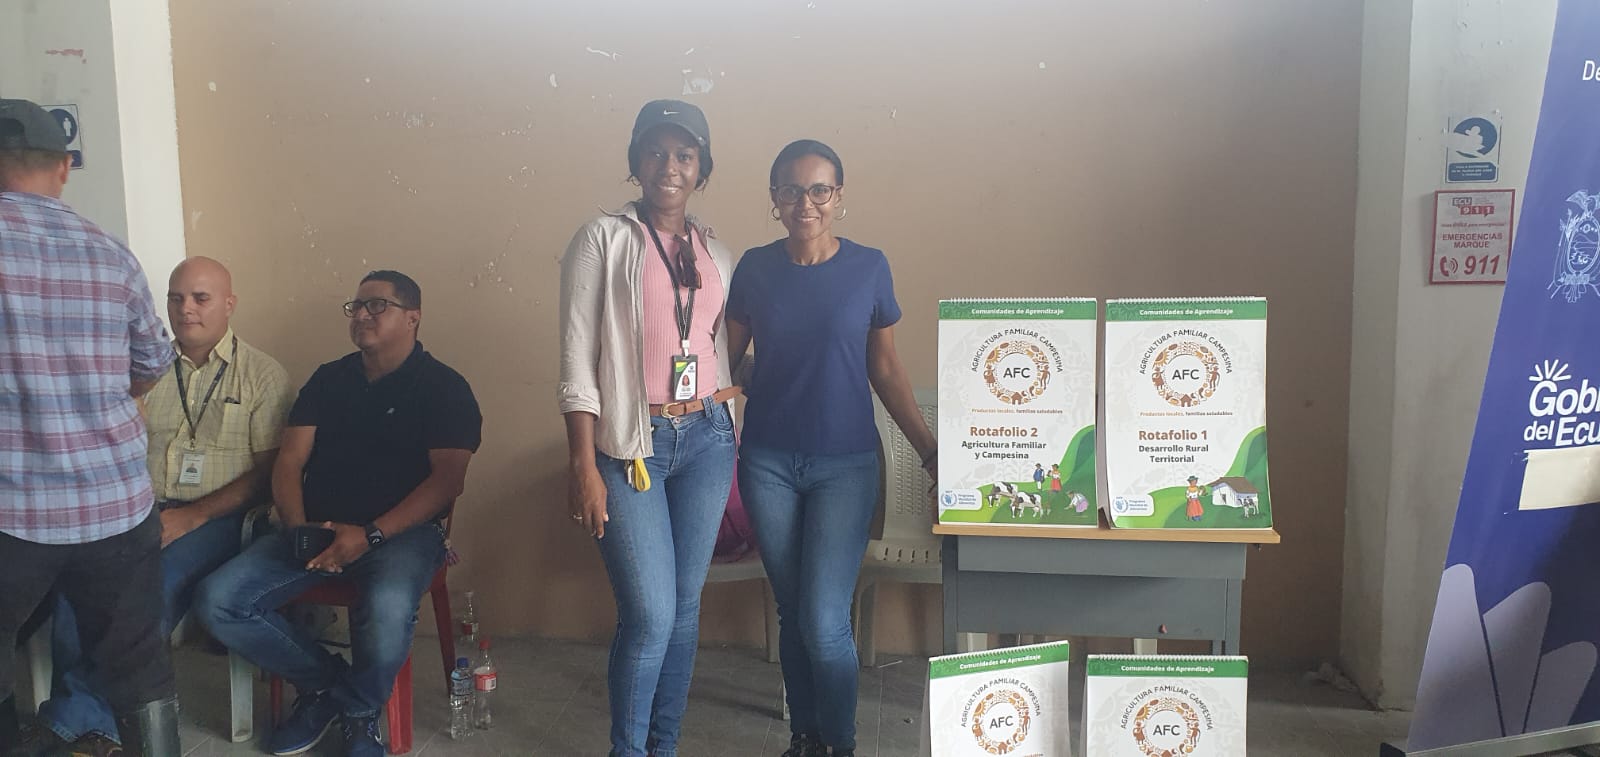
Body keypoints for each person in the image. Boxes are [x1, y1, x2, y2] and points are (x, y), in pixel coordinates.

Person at [195, 271, 480, 757]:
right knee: (217, 600)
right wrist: (297, 526)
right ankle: (328, 686)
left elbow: (447, 481)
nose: (362, 315)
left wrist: (370, 536)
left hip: (400, 537)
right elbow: (289, 461)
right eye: (356, 306)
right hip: (317, 529)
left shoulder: (444, 387)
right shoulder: (329, 379)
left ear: (413, 318)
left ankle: (360, 712)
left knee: (387, 607)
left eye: (377, 306)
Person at [27, 257, 294, 754]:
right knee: (77, 576)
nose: (186, 309)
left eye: (200, 298)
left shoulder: (262, 375)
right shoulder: (141, 372)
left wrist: (191, 516)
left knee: (146, 587)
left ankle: (82, 721)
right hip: (139, 510)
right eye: (176, 298)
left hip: (221, 518)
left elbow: (267, 477)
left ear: (229, 304)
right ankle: (83, 717)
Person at [724, 139, 937, 757]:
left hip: (845, 466)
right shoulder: (755, 269)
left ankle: (839, 745)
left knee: (822, 619)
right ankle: (804, 738)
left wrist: (928, 453)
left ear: (838, 196)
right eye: (791, 190)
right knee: (793, 610)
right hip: (767, 464)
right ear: (774, 198)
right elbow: (721, 363)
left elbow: (886, 368)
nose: (805, 202)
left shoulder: (869, 268)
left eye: (819, 189)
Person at [0, 98, 182, 756]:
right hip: (115, 507)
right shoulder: (111, 255)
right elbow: (152, 362)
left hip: (12, 513)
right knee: (139, 666)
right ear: (64, 168)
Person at [558, 99, 739, 757]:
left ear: (702, 168)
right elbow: (577, 359)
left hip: (709, 437)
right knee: (650, 614)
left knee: (685, 609)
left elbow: (717, 342)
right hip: (632, 444)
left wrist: (730, 409)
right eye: (656, 152)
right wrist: (583, 465)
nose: (670, 166)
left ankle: (664, 746)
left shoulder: (717, 251)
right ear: (636, 161)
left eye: (684, 155)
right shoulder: (601, 239)